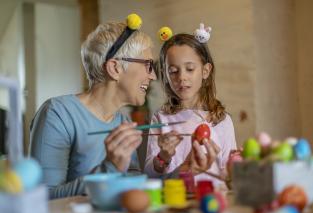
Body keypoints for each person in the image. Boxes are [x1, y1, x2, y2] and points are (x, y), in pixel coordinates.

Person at [29, 16, 217, 199]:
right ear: (115, 68)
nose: (152, 76)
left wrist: (183, 171)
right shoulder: (58, 113)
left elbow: (136, 189)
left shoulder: (123, 122)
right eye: (148, 65)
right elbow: (42, 198)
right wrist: (110, 168)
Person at [144, 26, 237, 189]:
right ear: (165, 75)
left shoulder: (221, 121)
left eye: (190, 69)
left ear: (206, 71)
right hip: (174, 200)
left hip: (210, 201)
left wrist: (236, 166)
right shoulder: (161, 118)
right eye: (173, 71)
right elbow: (150, 175)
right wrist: (163, 156)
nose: (181, 77)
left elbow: (228, 174)